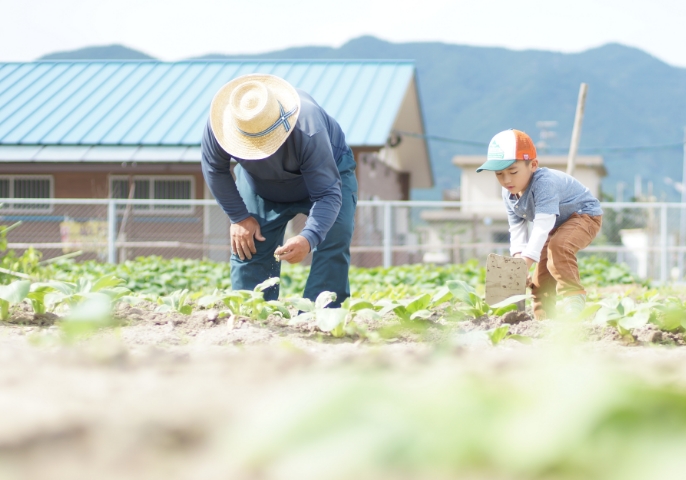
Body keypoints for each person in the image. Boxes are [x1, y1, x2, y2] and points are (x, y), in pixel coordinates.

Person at [201, 74, 357, 307]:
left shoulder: (308, 127)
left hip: (325, 177)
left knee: (335, 234)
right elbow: (214, 169)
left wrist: (309, 237)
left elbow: (327, 194)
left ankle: (321, 314)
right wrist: (240, 218)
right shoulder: (219, 125)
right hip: (260, 183)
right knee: (248, 245)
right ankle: (255, 312)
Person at [476, 129, 603, 319]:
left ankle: (573, 298)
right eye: (499, 174)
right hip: (554, 227)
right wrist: (519, 262)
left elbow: (542, 225)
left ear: (533, 165)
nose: (507, 179)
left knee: (558, 246)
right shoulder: (508, 193)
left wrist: (524, 265)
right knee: (540, 280)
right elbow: (517, 229)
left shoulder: (544, 183)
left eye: (513, 171)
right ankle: (543, 320)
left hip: (583, 216)